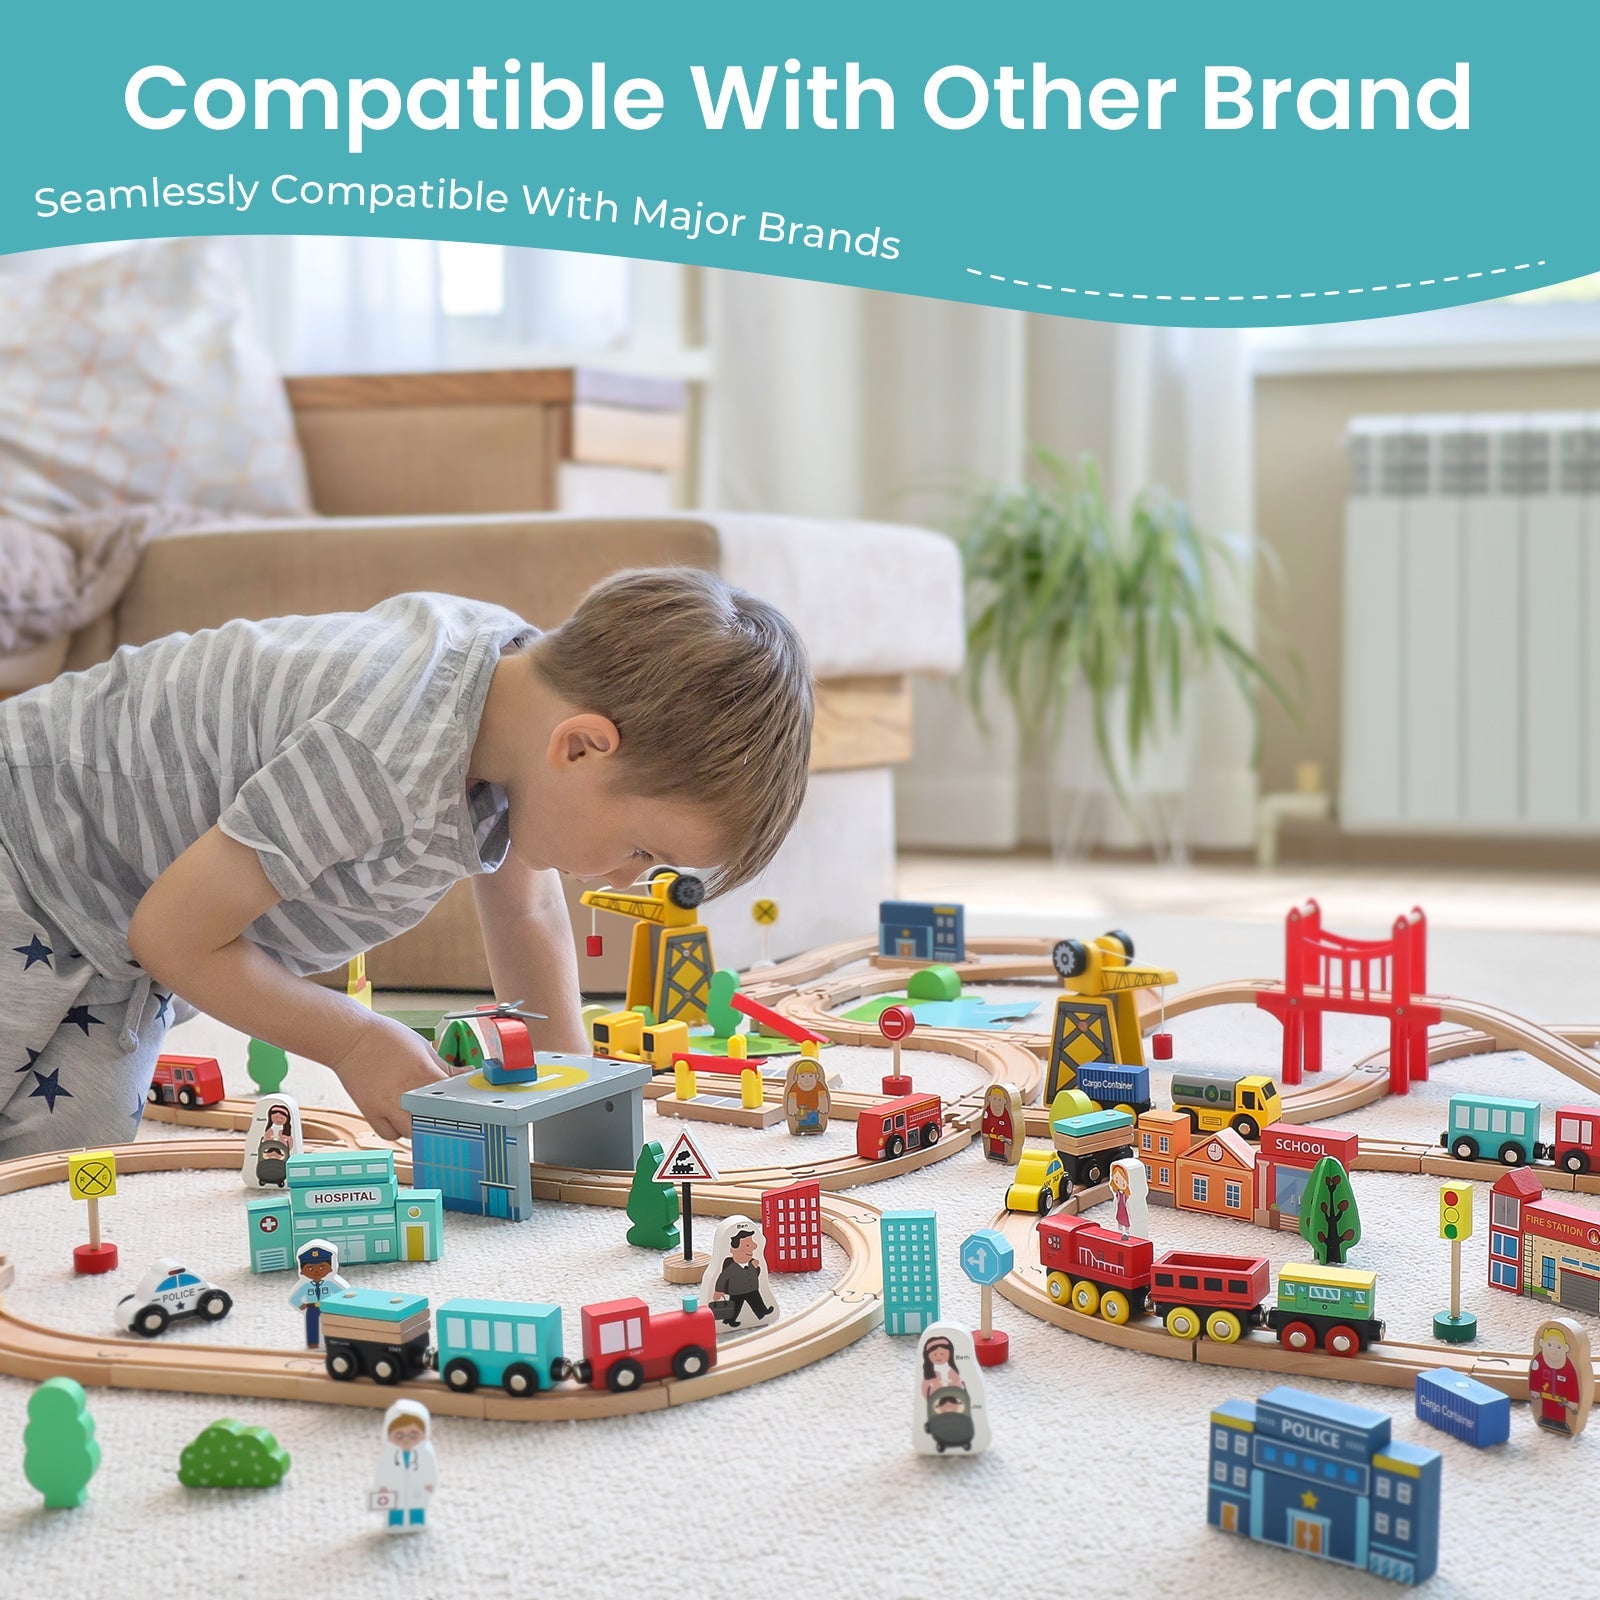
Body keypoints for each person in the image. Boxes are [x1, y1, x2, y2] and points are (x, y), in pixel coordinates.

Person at [0, 572, 813, 1156]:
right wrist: (354, 1042)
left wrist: (573, 1100)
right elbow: (174, 934)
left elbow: (526, 910)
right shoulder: (383, 752)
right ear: (582, 745)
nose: (627, 879)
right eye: (642, 850)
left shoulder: (516, 710)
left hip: (123, 929)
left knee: (67, 1166)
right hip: (30, 857)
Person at [370, 1399, 436, 1534]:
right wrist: (381, 1486)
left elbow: (431, 1470)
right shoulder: (389, 1454)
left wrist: (430, 1484)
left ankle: (417, 1522)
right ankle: (395, 1523)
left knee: (417, 1505)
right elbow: (382, 1472)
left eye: (413, 1435)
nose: (406, 1439)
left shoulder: (425, 1453)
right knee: (396, 1505)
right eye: (399, 1435)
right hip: (394, 1487)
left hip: (418, 1488)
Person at [708, 1220, 777, 1329]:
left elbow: (756, 1275)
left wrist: (756, 1268)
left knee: (757, 1300)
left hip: (752, 1289)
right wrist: (719, 1291)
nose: (754, 1247)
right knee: (735, 1306)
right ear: (733, 1250)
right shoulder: (731, 1268)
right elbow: (722, 1278)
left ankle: (762, 1312)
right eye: (748, 1245)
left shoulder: (750, 1264)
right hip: (737, 1292)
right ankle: (729, 1321)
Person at [289, 1239, 349, 1349]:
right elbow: (293, 1298)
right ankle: (313, 1343)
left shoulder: (331, 1284)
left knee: (332, 1325)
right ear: (302, 1271)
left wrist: (338, 1306)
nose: (316, 1271)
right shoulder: (305, 1286)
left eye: (322, 1267)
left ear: (331, 1268)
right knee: (312, 1325)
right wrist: (301, 1305)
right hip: (311, 1308)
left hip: (327, 1308)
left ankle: (333, 1342)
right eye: (310, 1268)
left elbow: (344, 1294)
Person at [1530, 1320, 1585, 1435]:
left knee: (1560, 1412)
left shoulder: (1569, 1366)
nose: (1554, 1350)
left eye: (1559, 1347)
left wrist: (1573, 1401)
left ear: (1565, 1348)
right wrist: (1535, 1389)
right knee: (1548, 1408)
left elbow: (1573, 1385)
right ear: (1542, 1343)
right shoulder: (1539, 1361)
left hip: (1562, 1399)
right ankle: (1546, 1419)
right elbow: (1535, 1376)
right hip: (1546, 1395)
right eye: (1549, 1345)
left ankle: (1562, 1423)